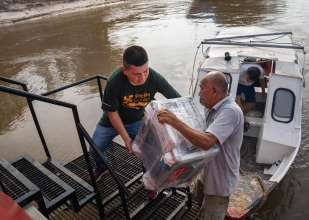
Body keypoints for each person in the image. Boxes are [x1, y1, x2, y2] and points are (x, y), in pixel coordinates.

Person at [87, 45, 181, 199]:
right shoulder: (114, 82)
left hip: (137, 120)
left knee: (149, 151)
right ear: (124, 70)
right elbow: (112, 113)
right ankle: (102, 167)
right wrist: (126, 139)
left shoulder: (155, 78)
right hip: (111, 121)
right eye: (136, 74)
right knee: (94, 148)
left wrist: (184, 125)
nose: (142, 78)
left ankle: (151, 181)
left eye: (145, 71)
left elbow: (176, 99)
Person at [157, 71, 243, 220]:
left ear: (215, 91)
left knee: (211, 214)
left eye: (202, 88)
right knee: (200, 204)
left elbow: (206, 142)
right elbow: (199, 131)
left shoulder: (230, 111)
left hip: (219, 179)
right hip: (206, 172)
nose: (198, 94)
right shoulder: (213, 107)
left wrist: (175, 121)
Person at [235, 63, 266, 132]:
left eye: (252, 80)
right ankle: (243, 120)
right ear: (246, 72)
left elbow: (262, 79)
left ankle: (240, 115)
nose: (248, 80)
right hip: (238, 83)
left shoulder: (261, 71)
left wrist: (263, 90)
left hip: (249, 86)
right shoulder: (240, 70)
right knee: (238, 102)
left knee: (252, 103)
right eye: (248, 79)